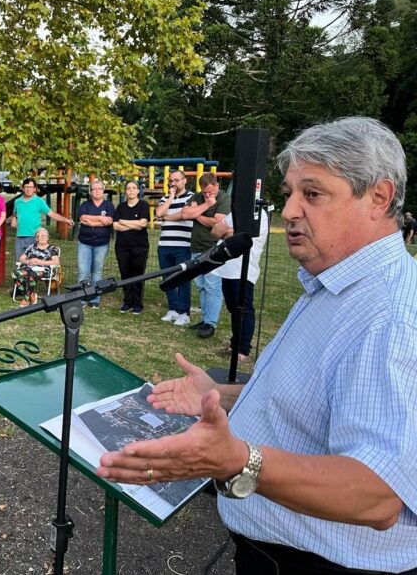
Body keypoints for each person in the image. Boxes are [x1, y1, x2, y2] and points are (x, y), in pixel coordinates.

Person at [97, 117, 417, 575]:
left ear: (378, 198)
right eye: (289, 193)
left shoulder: (392, 314)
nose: (288, 211)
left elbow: (378, 493)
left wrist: (239, 460)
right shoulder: (335, 285)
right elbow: (318, 408)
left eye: (313, 194)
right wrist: (225, 397)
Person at [211, 210, 269, 362]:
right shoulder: (234, 212)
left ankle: (243, 348)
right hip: (226, 268)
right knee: (233, 308)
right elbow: (216, 231)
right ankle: (234, 343)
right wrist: (227, 232)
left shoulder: (257, 214)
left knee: (243, 308)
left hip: (243, 269)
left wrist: (228, 232)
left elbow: (243, 238)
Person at [181, 172, 231, 338]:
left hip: (213, 248)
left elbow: (218, 222)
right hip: (196, 246)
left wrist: (196, 213)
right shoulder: (198, 195)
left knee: (212, 286)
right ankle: (204, 319)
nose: (208, 195)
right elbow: (185, 214)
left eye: (211, 192)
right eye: (205, 193)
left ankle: (211, 323)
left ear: (216, 185)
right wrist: (205, 207)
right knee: (201, 285)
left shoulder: (224, 199)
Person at [155, 170, 194, 325]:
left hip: (183, 245)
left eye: (177, 180)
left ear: (185, 181)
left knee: (183, 279)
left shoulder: (192, 197)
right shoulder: (166, 198)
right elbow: (159, 212)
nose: (174, 183)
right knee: (168, 279)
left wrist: (166, 217)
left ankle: (184, 312)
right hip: (164, 245)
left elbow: (184, 215)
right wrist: (171, 196)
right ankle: (173, 309)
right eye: (171, 181)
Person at [11, 178, 74, 261]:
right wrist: (13, 217)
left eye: (30, 187)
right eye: (26, 187)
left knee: (33, 263)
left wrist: (66, 220)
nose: (28, 189)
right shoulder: (17, 201)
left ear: (34, 189)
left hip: (34, 236)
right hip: (20, 236)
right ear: (22, 188)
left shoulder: (39, 201)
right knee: (19, 262)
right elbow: (15, 213)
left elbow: (51, 214)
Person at [113, 180, 150, 314]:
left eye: (134, 188)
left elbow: (143, 224)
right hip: (122, 246)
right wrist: (133, 224)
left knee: (138, 274)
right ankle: (127, 302)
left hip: (139, 246)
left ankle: (137, 303)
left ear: (138, 191)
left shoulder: (143, 205)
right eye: (128, 188)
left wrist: (124, 222)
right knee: (125, 273)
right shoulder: (121, 207)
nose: (131, 191)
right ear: (125, 191)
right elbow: (115, 225)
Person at [76, 179, 115, 308]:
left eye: (99, 189)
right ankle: (82, 298)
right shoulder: (85, 204)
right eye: (94, 189)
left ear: (103, 191)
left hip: (102, 243)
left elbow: (109, 221)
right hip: (85, 243)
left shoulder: (108, 205)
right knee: (83, 271)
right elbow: (82, 218)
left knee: (97, 271)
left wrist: (91, 221)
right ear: (90, 192)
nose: (97, 191)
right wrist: (100, 219)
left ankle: (94, 299)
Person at [12, 227, 60, 306]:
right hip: (30, 268)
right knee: (15, 273)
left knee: (31, 274)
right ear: (36, 239)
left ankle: (26, 299)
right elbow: (21, 258)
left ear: (48, 237)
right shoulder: (32, 247)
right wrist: (27, 261)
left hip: (45, 270)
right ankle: (32, 294)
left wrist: (40, 262)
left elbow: (56, 262)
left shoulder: (52, 249)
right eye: (39, 236)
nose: (41, 237)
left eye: (44, 236)